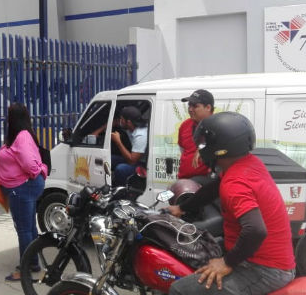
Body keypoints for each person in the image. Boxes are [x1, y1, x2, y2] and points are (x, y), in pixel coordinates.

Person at [167, 112, 295, 295]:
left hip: (265, 269)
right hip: (263, 259)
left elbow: (255, 230)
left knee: (179, 289)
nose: (201, 148)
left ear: (218, 148)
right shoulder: (247, 163)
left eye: (203, 143)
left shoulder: (234, 183)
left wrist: (227, 262)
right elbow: (212, 189)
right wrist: (180, 208)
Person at [0, 103, 48, 282]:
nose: (6, 119)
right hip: (20, 188)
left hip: (22, 188)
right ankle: (32, 262)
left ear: (14, 118)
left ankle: (25, 268)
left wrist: (38, 170)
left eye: (9, 115)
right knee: (29, 227)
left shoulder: (22, 137)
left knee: (24, 229)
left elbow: (29, 164)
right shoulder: (18, 136)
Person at [178, 89, 213, 182]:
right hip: (183, 181)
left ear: (208, 107)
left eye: (195, 106)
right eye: (189, 105)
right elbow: (182, 150)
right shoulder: (185, 125)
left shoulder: (217, 125)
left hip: (206, 182)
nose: (190, 109)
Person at [110, 106, 147, 187]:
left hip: (144, 164)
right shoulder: (129, 127)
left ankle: (122, 192)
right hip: (136, 160)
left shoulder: (141, 135)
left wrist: (118, 142)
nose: (120, 121)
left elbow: (132, 161)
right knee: (108, 159)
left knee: (121, 169)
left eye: (122, 119)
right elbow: (114, 123)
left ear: (129, 122)